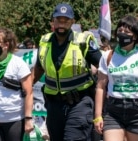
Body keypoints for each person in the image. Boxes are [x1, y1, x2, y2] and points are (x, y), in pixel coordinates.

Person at [32, 3, 102, 141]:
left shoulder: (83, 41)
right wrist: (22, 88)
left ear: (72, 22)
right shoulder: (44, 41)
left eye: (66, 21)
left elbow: (103, 66)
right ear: (53, 21)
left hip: (79, 103)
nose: (61, 25)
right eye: (58, 20)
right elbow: (38, 69)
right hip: (54, 106)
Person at [94, 15, 138, 141]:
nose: (122, 34)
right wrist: (98, 116)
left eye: (127, 31)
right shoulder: (107, 56)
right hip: (113, 110)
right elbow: (100, 87)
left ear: (135, 36)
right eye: (120, 30)